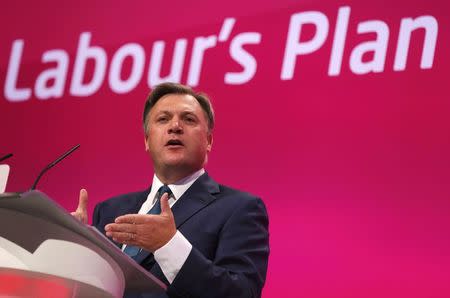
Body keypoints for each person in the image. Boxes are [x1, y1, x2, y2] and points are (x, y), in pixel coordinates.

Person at [72, 82, 269, 298]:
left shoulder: (240, 209)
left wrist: (169, 245)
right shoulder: (110, 210)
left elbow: (242, 293)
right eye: (163, 119)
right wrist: (75, 254)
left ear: (209, 141)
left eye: (188, 119)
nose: (175, 126)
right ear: (147, 140)